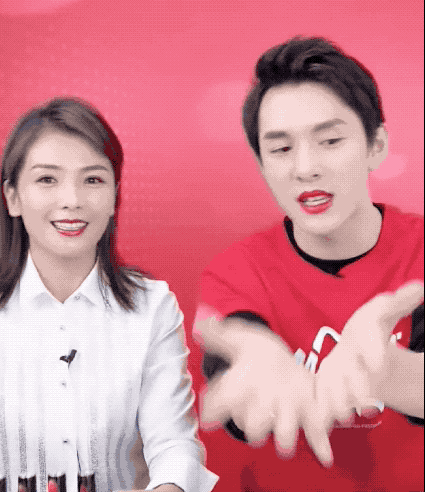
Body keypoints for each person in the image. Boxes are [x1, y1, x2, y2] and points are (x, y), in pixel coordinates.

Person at [193, 36, 424, 491]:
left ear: (376, 145)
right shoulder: (236, 271)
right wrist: (260, 368)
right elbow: (242, 356)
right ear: (261, 164)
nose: (305, 168)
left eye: (330, 140)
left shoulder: (419, 252)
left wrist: (386, 373)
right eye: (280, 149)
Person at [0, 98, 219, 492]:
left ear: (115, 195)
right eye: (47, 179)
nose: (72, 200)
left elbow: (173, 446)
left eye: (93, 180)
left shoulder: (151, 307)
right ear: (13, 197)